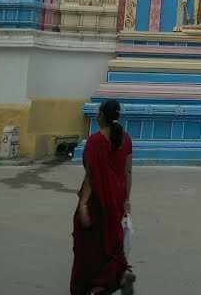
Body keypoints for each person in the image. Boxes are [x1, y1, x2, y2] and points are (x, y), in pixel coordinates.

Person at [71, 99, 135, 295]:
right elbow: (128, 172)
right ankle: (118, 275)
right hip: (117, 198)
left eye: (98, 112)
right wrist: (126, 200)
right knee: (113, 240)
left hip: (97, 200)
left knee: (90, 245)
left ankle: (95, 284)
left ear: (101, 116)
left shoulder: (95, 141)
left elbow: (92, 175)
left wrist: (83, 205)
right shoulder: (126, 139)